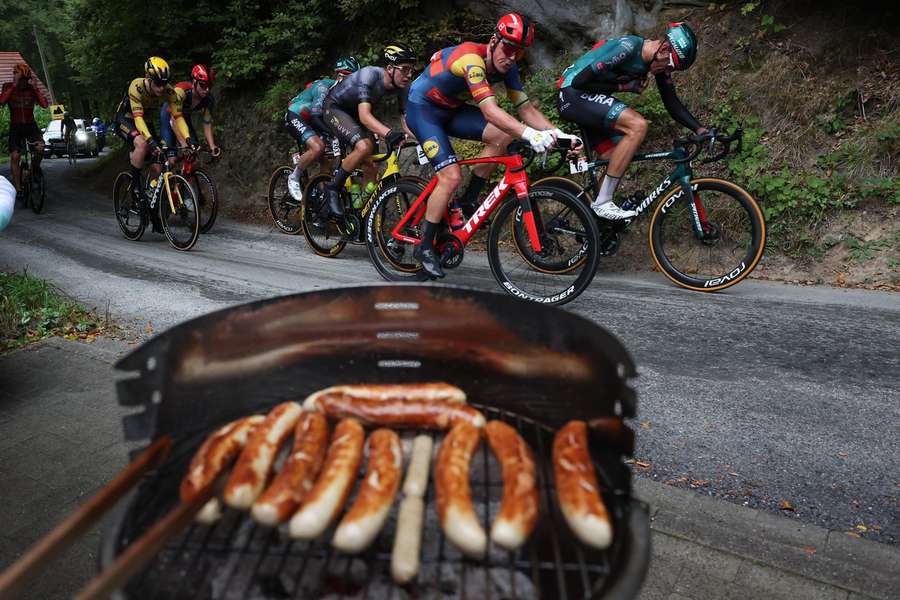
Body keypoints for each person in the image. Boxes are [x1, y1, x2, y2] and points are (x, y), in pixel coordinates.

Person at [404, 12, 570, 278]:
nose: (513, 56)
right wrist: (530, 135)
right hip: (422, 110)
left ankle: (469, 202)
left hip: (451, 109)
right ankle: (424, 246)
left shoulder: (509, 66)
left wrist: (558, 134)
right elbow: (491, 112)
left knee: (503, 136)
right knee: (450, 176)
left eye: (520, 52)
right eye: (508, 47)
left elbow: (525, 109)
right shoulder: (471, 60)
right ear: (494, 41)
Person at [556, 22, 707, 220]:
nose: (669, 71)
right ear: (664, 48)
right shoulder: (628, 48)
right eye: (671, 65)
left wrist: (700, 129)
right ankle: (603, 203)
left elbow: (672, 103)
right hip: (572, 94)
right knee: (637, 126)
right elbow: (580, 82)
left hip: (588, 98)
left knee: (617, 156)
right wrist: (623, 86)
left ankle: (595, 222)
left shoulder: (658, 61)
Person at [321, 43, 416, 218]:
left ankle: (358, 212)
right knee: (364, 146)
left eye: (412, 70)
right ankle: (332, 188)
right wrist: (388, 133)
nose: (408, 75)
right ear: (389, 68)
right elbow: (365, 117)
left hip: (355, 115)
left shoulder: (403, 87)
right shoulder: (369, 75)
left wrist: (423, 139)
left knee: (372, 166)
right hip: (335, 108)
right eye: (405, 69)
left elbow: (406, 122)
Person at [113, 56, 192, 217]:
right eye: (158, 83)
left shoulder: (169, 91)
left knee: (158, 165)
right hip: (127, 119)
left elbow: (178, 117)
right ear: (148, 79)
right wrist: (150, 140)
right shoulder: (137, 86)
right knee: (142, 144)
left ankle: (150, 195)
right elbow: (138, 119)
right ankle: (136, 187)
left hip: (146, 122)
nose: (161, 88)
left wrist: (188, 139)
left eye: (164, 83)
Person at [284, 57, 360, 201]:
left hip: (314, 120)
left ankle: (321, 198)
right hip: (296, 115)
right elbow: (315, 116)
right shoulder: (323, 87)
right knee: (318, 147)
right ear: (339, 77)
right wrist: (335, 134)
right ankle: (294, 177)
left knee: (328, 159)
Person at [0, 64, 48, 194]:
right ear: (15, 76)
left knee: (40, 148)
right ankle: (18, 187)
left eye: (26, 80)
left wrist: (36, 88)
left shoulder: (31, 89)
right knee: (15, 156)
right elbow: (2, 101)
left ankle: (33, 171)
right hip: (16, 127)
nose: (24, 83)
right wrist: (14, 85)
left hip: (31, 126)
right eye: (22, 79)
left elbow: (44, 105)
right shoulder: (8, 87)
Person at [160, 64, 220, 165]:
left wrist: (212, 146)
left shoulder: (208, 100)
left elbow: (207, 123)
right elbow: (173, 120)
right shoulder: (181, 92)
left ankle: (186, 178)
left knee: (194, 158)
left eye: (209, 86)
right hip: (169, 117)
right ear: (194, 82)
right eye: (203, 85)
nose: (207, 90)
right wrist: (183, 143)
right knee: (172, 160)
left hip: (184, 119)